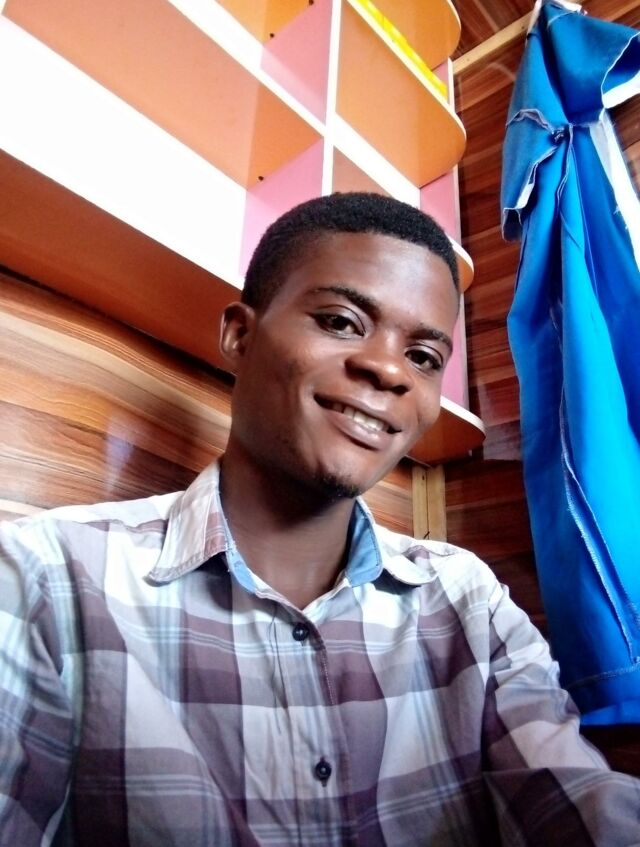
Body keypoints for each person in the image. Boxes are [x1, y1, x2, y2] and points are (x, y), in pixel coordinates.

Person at [0, 193, 638, 846]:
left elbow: (575, 797)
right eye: (340, 321)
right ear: (239, 335)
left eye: (423, 357)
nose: (388, 369)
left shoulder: (465, 597)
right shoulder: (45, 577)